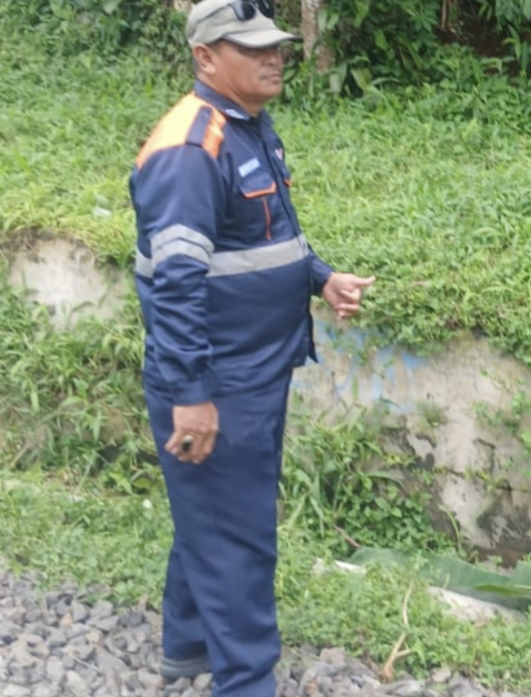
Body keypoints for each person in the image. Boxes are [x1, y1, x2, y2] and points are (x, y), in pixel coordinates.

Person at [129, 1, 374, 694]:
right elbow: (176, 283)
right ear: (206, 57)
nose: (274, 57)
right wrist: (192, 394)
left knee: (210, 514)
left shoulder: (246, 126)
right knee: (239, 538)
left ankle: (187, 645)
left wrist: (321, 278)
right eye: (252, 47)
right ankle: (245, 680)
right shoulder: (190, 149)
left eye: (276, 45)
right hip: (221, 380)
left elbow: (261, 237)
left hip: (254, 370)